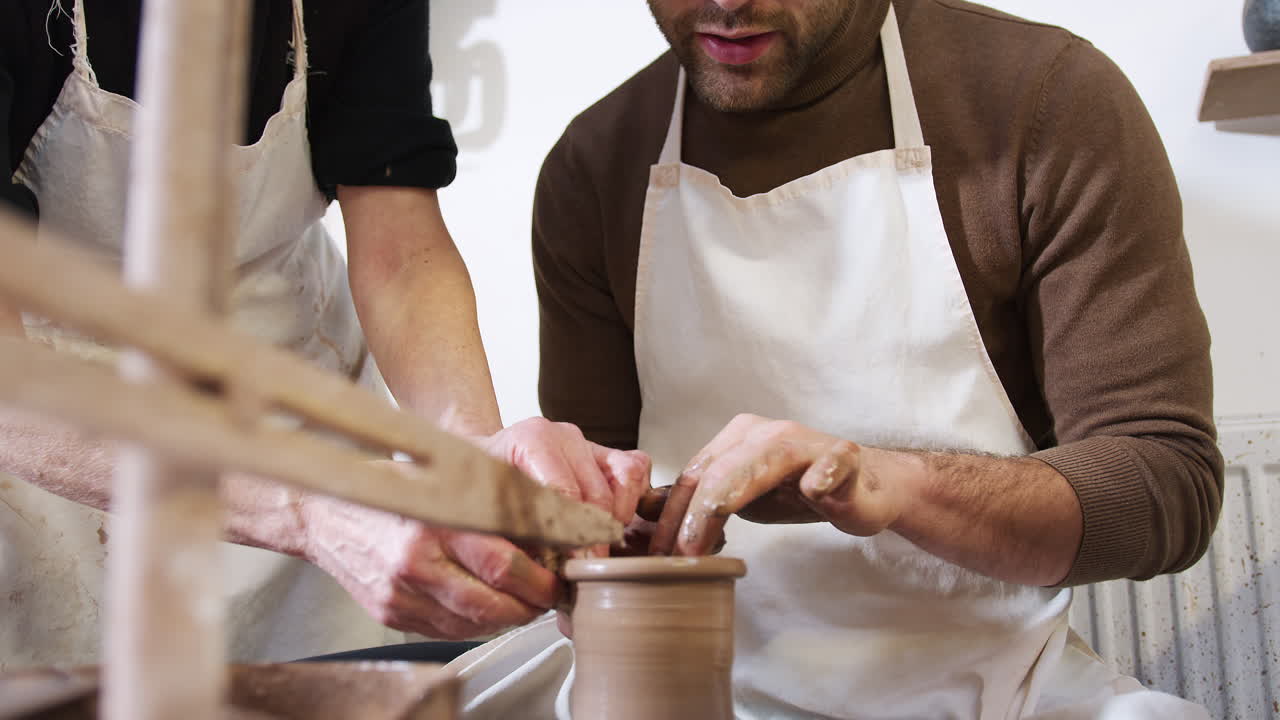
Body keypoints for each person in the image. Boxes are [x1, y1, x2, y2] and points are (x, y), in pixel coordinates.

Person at [444, 0, 1224, 717]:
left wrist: (891, 481)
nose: (725, 2)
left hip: (986, 685)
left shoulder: (1043, 101)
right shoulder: (595, 164)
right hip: (681, 685)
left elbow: (1166, 486)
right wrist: (546, 532)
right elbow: (595, 528)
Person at [0, 0, 649, 668]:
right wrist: (306, 506)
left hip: (287, 386)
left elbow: (398, 251)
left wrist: (470, 459)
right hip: (58, 446)